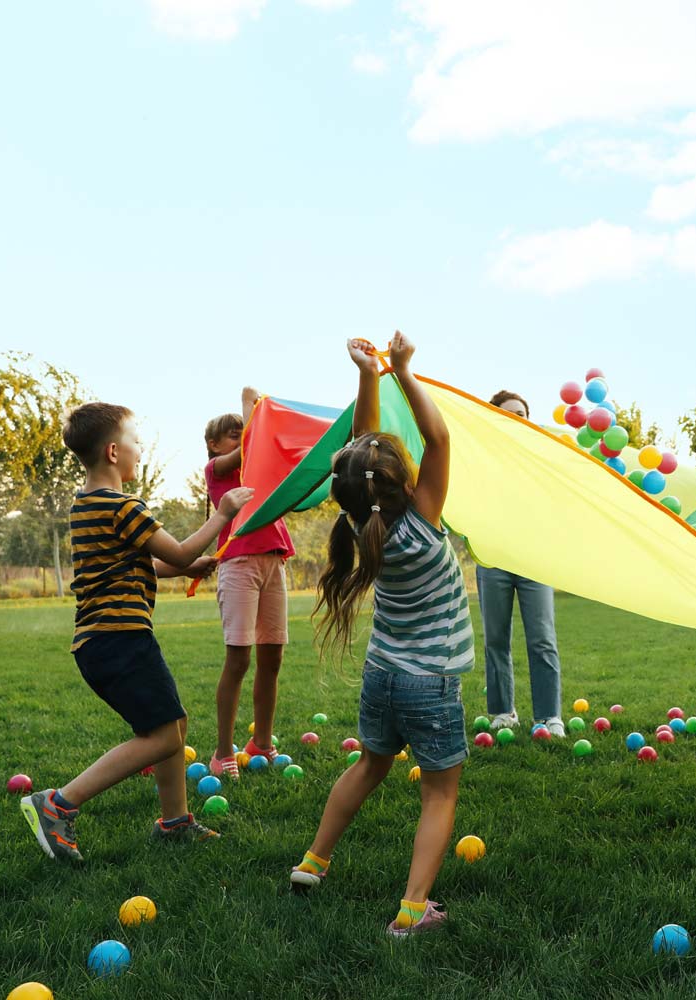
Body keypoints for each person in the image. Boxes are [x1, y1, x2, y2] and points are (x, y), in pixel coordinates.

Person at [289, 333, 471, 938]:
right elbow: (439, 438)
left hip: (381, 676)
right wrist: (404, 371)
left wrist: (371, 376)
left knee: (369, 765)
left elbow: (358, 454)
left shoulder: (360, 526)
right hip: (430, 683)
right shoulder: (422, 523)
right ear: (400, 483)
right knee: (439, 795)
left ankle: (313, 863)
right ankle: (413, 912)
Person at [20, 402, 252, 862]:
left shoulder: (87, 506)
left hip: (104, 641)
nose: (139, 451)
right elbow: (182, 552)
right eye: (135, 442)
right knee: (165, 736)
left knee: (173, 724)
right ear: (112, 451)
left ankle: (174, 822)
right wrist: (223, 512)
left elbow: (147, 563)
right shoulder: (122, 506)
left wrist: (188, 564)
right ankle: (58, 803)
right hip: (120, 637)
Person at [202, 388, 295, 778]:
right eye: (232, 433)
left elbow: (283, 461)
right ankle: (223, 751)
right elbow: (249, 450)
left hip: (273, 561)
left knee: (272, 658)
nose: (242, 436)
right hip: (238, 564)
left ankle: (262, 742)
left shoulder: (259, 465)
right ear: (212, 445)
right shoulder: (217, 471)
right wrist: (251, 409)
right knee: (239, 659)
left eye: (244, 430)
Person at [477, 389, 565, 735]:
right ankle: (502, 711)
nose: (518, 418)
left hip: (534, 559)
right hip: (494, 557)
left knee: (542, 638)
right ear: (495, 416)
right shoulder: (482, 459)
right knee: (495, 638)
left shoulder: (540, 457)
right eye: (510, 413)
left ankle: (549, 715)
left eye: (523, 414)